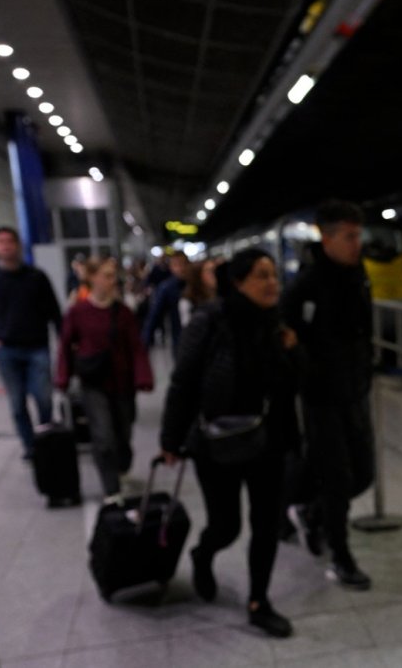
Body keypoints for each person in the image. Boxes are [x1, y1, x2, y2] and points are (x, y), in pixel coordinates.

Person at [159, 249, 300, 638]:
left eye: (273, 274)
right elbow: (184, 381)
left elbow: (292, 386)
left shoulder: (277, 325)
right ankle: (203, 555)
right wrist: (171, 438)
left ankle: (259, 601)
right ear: (238, 283)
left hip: (268, 440)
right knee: (226, 526)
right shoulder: (210, 321)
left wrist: (292, 351)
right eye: (260, 275)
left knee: (266, 525)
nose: (272, 282)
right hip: (215, 443)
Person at [279, 199, 374, 591]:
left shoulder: (358, 273)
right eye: (350, 237)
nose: (357, 244)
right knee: (337, 479)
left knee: (362, 474)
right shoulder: (307, 283)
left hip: (354, 390)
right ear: (327, 237)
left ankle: (309, 508)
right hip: (320, 396)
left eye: (358, 235)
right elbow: (286, 331)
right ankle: (340, 556)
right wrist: (305, 364)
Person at [55, 256, 153, 500]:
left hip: (123, 382)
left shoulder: (123, 313)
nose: (113, 280)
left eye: (113, 275)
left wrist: (143, 376)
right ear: (92, 278)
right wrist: (63, 378)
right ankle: (112, 489)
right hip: (93, 383)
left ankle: (122, 467)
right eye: (107, 275)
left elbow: (136, 347)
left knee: (124, 432)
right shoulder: (78, 312)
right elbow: (66, 346)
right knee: (103, 436)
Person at [0, 227, 63, 459]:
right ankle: (30, 446)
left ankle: (46, 439)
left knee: (44, 397)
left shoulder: (36, 276)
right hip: (6, 348)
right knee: (17, 403)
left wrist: (64, 337)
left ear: (17, 245)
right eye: (0, 242)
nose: (5, 246)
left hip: (37, 346)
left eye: (9, 241)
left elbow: (54, 310)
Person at [141, 251, 189, 355]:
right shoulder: (167, 288)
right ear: (171, 267)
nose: (181, 269)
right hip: (180, 341)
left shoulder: (196, 284)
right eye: (176, 265)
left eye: (183, 264)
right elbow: (154, 315)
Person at [179, 257, 223, 327]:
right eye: (210, 271)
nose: (215, 275)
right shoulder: (188, 301)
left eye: (215, 270)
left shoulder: (221, 295)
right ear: (198, 276)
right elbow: (189, 330)